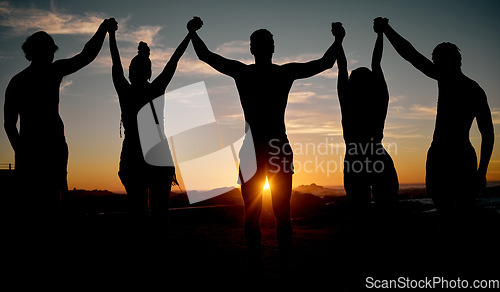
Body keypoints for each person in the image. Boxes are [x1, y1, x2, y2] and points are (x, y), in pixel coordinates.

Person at [187, 17, 344, 260]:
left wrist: (192, 32)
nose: (263, 46)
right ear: (271, 48)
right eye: (265, 42)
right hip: (275, 147)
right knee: (280, 214)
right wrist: (338, 39)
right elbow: (326, 62)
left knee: (256, 213)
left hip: (257, 149)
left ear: (252, 49)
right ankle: (279, 264)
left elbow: (205, 55)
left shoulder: (245, 72)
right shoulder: (282, 73)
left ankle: (258, 264)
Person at [4, 17, 117, 270]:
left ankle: (47, 249)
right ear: (38, 52)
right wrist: (22, 151)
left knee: (48, 201)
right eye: (49, 50)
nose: (52, 55)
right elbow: (9, 124)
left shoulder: (23, 79)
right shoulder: (33, 77)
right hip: (42, 148)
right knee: (43, 203)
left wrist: (101, 30)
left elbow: (86, 56)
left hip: (47, 147)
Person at [375, 17, 494, 220]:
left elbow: (412, 56)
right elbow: (488, 134)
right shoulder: (469, 87)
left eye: (436, 59)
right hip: (452, 154)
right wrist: (482, 171)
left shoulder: (459, 84)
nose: (434, 64)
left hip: (452, 156)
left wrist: (386, 29)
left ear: (448, 61)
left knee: (454, 212)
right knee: (453, 212)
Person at [108, 21, 190, 227]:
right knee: (159, 214)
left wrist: (111, 35)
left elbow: (115, 62)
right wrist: (189, 34)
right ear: (149, 72)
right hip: (157, 156)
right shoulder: (155, 89)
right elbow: (174, 61)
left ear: (131, 72)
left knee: (138, 212)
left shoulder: (126, 91)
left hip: (134, 156)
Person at [334, 20, 399, 216]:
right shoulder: (379, 99)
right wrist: (380, 34)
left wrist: (339, 39)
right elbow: (376, 64)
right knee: (386, 211)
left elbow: (342, 68)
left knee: (359, 212)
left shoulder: (348, 101)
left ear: (352, 84)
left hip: (355, 158)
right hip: (377, 154)